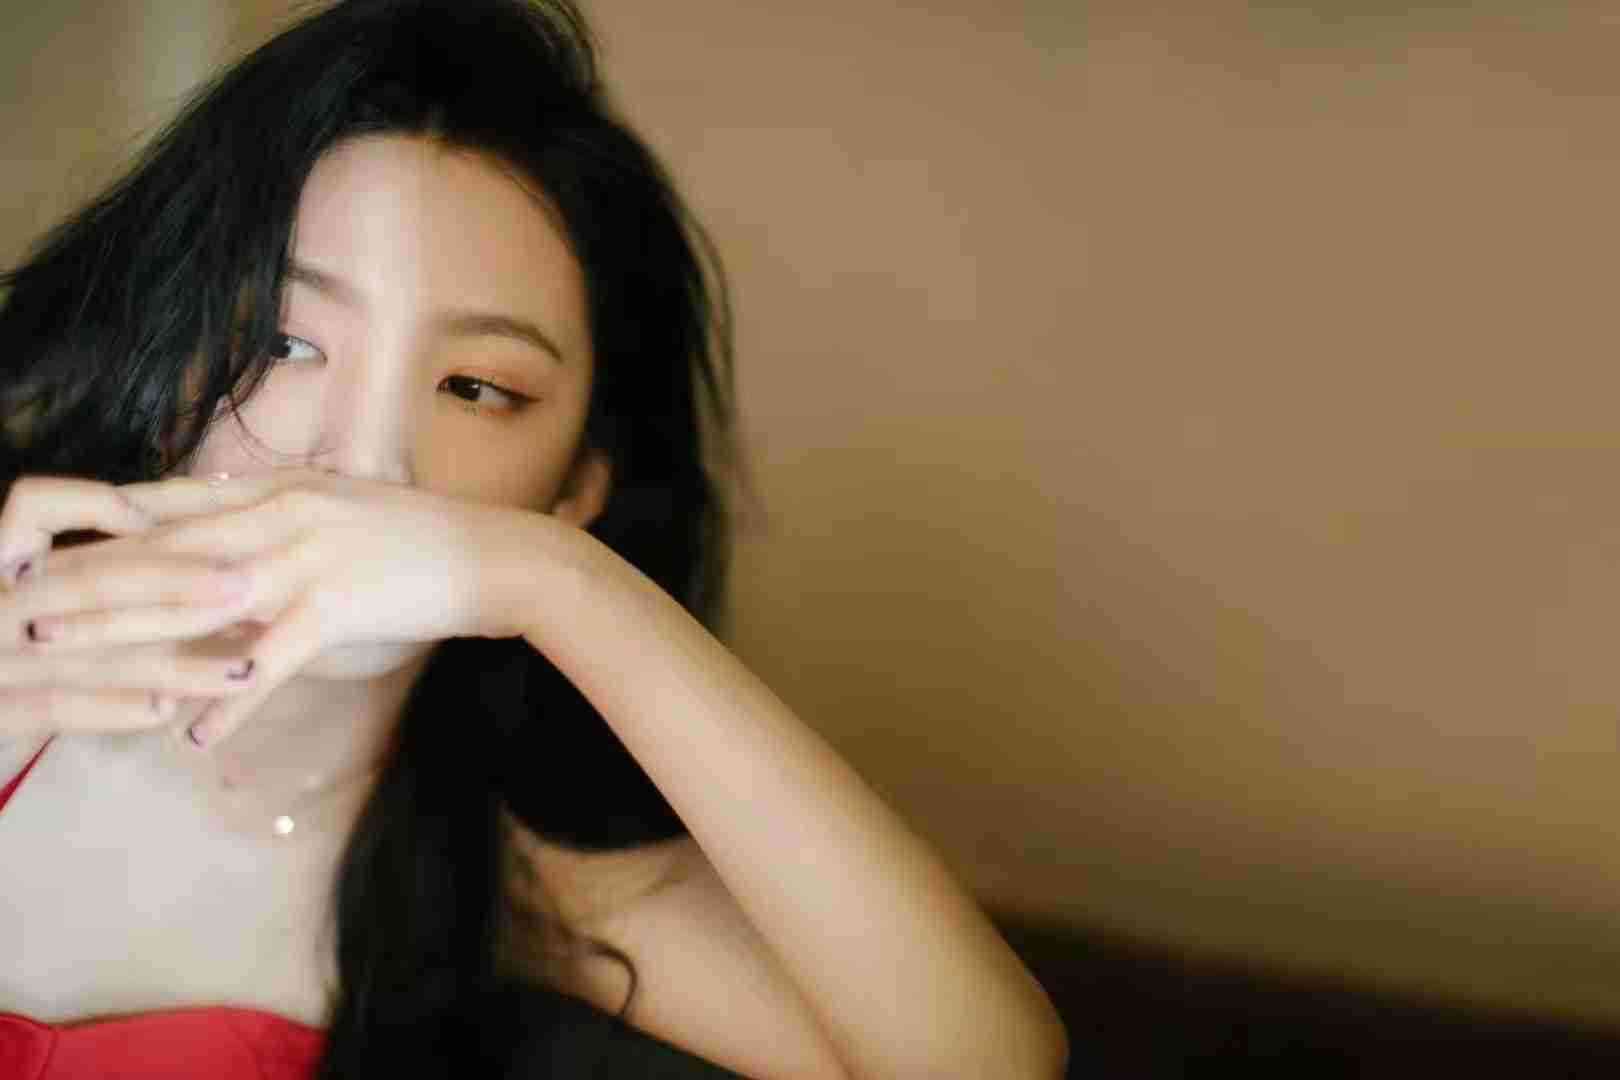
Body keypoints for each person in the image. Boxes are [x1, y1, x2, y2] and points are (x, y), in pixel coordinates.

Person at [0, 1, 1069, 1077]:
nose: (366, 460)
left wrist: (556, 582)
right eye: (284, 341)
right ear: (164, 366)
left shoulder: (510, 892)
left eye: (477, 387)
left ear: (574, 492)